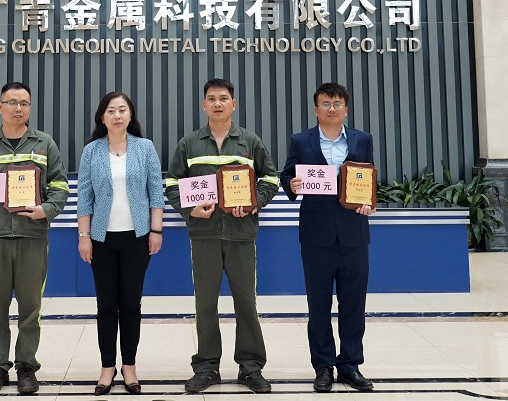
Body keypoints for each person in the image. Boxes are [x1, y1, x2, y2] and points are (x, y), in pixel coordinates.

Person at [164, 78, 281, 394]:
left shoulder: (250, 142)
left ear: (233, 104)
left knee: (246, 303)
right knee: (205, 303)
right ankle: (206, 367)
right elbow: (173, 184)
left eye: (224, 98)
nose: (218, 103)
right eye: (212, 99)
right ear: (204, 105)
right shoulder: (189, 144)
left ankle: (250, 367)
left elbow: (271, 178)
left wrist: (254, 201)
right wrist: (190, 210)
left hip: (241, 235)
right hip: (203, 235)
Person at [0, 82, 69, 396]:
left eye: (24, 103)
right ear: (0, 107)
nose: (18, 108)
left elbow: (60, 186)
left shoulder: (44, 143)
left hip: (32, 237)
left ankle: (27, 367)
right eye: (12, 102)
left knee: (31, 308)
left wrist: (46, 210)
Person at [280, 82, 376, 392]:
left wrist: (369, 201)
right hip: (316, 235)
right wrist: (291, 185)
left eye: (337, 104)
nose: (331, 109)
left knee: (353, 305)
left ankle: (350, 366)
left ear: (345, 109)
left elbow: (369, 177)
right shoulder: (301, 140)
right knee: (318, 305)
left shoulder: (363, 139)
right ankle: (323, 366)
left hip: (354, 234)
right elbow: (287, 174)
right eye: (325, 103)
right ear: (316, 109)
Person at [76, 91, 166, 395]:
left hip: (137, 237)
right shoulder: (91, 151)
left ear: (130, 116)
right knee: (106, 306)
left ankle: (129, 366)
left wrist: (156, 230)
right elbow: (84, 197)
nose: (117, 115)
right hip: (100, 239)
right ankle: (107, 368)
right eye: (111, 111)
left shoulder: (145, 147)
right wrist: (84, 237)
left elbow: (156, 191)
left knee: (130, 304)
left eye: (122, 110)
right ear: (102, 117)